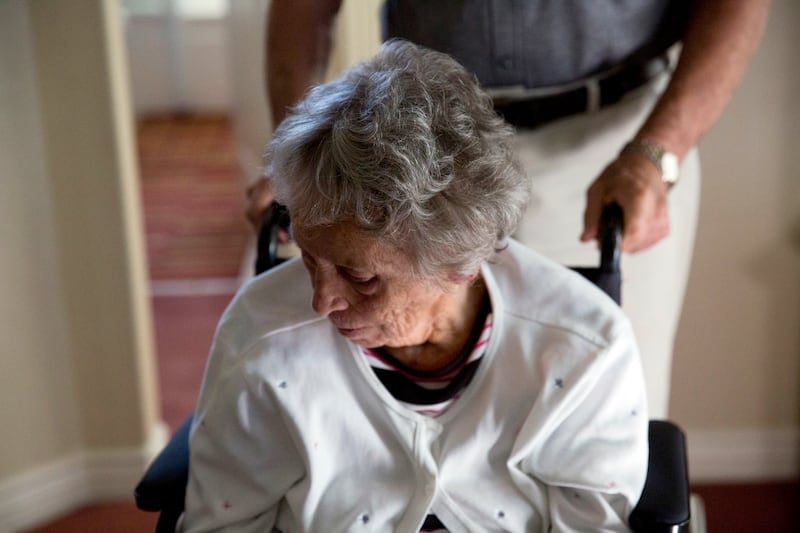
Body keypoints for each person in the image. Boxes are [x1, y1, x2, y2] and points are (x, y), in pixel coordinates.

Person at [181, 41, 648, 531]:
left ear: (458, 265)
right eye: (309, 258)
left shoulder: (585, 348)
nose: (321, 301)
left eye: (359, 277)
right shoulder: (259, 345)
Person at [248, 0, 769, 419]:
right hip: (416, 151)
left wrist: (658, 151)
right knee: (370, 389)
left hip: (611, 142)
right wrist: (296, 161)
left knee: (609, 397)